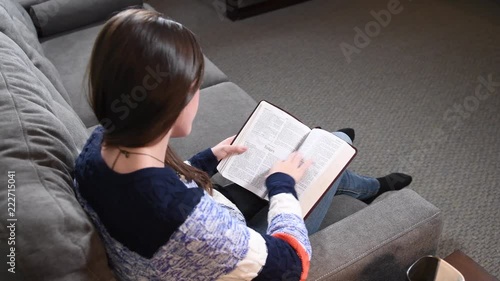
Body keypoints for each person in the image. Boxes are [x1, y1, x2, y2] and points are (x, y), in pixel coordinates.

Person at [73, 9, 411, 281]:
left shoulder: (98, 146)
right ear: (170, 102)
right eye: (195, 86)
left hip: (208, 226)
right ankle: (361, 175)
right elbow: (292, 264)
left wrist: (208, 159)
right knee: (329, 151)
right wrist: (282, 185)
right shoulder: (186, 221)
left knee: (307, 156)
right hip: (230, 249)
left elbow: (153, 188)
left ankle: (360, 180)